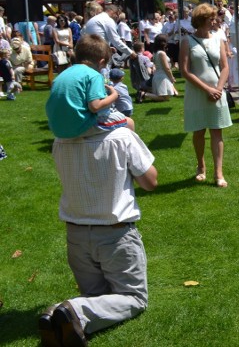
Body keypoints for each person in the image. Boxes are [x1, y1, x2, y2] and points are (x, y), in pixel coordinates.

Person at [39, 126, 157, 347]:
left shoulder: (60, 138)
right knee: (134, 298)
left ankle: (57, 316)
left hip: (76, 234)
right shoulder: (122, 137)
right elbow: (150, 183)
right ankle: (72, 311)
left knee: (96, 296)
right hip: (115, 233)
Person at [180, 3, 233, 188]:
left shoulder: (218, 39)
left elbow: (225, 66)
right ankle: (201, 165)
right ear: (201, 20)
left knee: (217, 131)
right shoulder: (187, 41)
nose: (214, 21)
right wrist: (207, 89)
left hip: (217, 92)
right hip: (197, 93)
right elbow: (185, 71)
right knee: (199, 131)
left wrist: (218, 88)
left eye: (214, 18)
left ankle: (218, 172)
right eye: (211, 18)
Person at [46, 34, 135, 137]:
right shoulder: (94, 75)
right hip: (80, 127)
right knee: (129, 122)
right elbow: (95, 106)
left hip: (57, 128)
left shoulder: (61, 76)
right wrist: (114, 95)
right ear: (101, 62)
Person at [144, 34, 177, 102]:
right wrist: (171, 77)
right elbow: (166, 68)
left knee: (166, 97)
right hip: (162, 76)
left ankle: (145, 94)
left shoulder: (155, 52)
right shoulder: (162, 53)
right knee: (164, 98)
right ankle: (144, 94)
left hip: (158, 75)